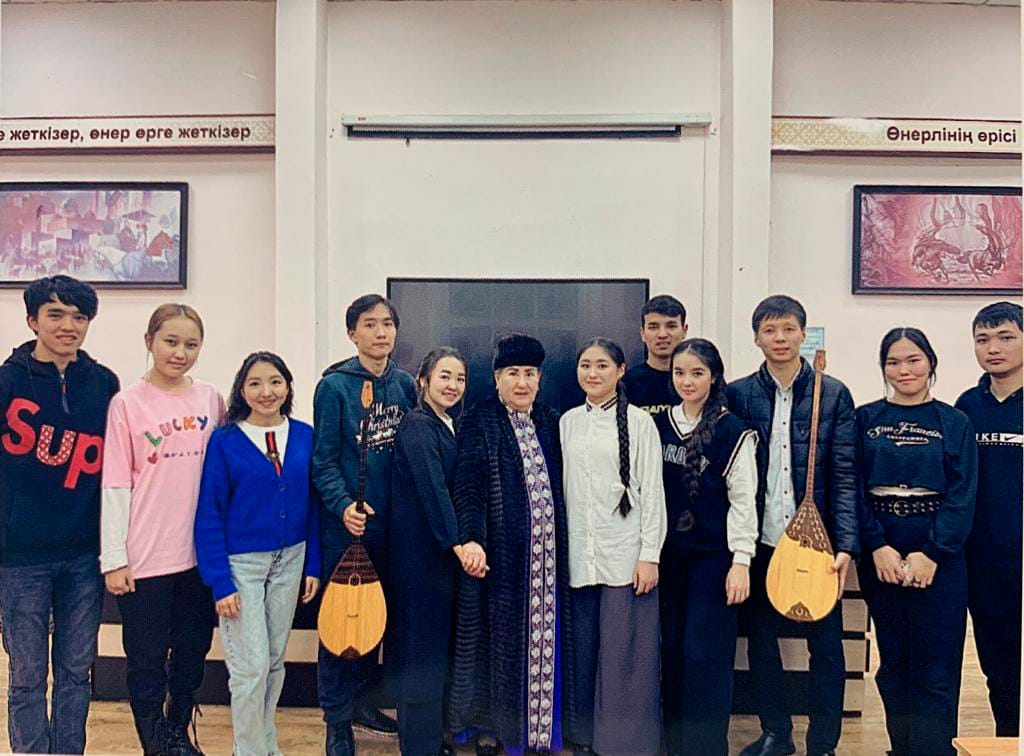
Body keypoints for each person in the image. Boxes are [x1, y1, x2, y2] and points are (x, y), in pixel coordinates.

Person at [727, 295, 858, 756]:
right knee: (761, 644)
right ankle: (776, 733)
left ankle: (823, 743)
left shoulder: (834, 393)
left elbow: (845, 474)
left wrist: (846, 544)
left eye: (787, 329)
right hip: (761, 541)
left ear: (803, 333)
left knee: (827, 649)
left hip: (818, 544)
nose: (779, 338)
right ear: (756, 338)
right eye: (769, 330)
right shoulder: (738, 394)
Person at [0, 275, 119, 754]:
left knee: (75, 672)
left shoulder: (104, 384)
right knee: (27, 676)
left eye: (78, 316)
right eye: (55, 314)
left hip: (84, 555)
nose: (68, 325)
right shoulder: (7, 382)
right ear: (32, 321)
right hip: (20, 556)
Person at [101, 303, 225, 756]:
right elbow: (115, 483)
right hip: (146, 557)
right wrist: (114, 558)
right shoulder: (127, 403)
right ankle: (154, 743)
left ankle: (177, 732)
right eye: (171, 342)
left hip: (199, 556)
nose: (180, 353)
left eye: (191, 344)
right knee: (147, 660)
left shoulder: (210, 399)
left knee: (193, 652)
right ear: (149, 341)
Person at [448, 333, 576, 756]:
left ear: (540, 379)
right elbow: (469, 487)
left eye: (530, 374)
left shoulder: (551, 420)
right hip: (500, 559)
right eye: (512, 374)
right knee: (495, 644)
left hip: (547, 565)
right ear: (497, 378)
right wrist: (473, 539)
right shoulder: (480, 420)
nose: (522, 383)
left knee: (544, 645)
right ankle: (493, 730)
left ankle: (541, 729)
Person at [194, 352, 321, 756]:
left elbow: (313, 505)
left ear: (288, 387)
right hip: (241, 566)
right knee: (250, 669)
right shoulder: (226, 440)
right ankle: (248, 750)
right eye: (255, 383)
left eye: (275, 382)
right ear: (242, 390)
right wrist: (220, 582)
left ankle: (267, 743)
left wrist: (313, 564)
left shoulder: (304, 435)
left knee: (274, 661)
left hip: (291, 559)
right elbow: (209, 512)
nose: (266, 391)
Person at [857, 327, 977, 756]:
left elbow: (963, 495)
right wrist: (876, 545)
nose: (903, 370)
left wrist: (933, 553)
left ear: (930, 363)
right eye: (893, 362)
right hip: (882, 548)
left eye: (913, 360)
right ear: (883, 367)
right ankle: (902, 748)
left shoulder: (954, 422)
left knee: (937, 665)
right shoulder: (865, 419)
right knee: (894, 663)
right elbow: (851, 487)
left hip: (939, 551)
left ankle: (935, 750)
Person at [313, 293, 416, 755]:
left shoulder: (405, 385)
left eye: (387, 323)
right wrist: (343, 506)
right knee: (341, 625)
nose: (381, 332)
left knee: (375, 622)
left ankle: (363, 703)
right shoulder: (334, 387)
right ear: (352, 333)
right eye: (370, 324)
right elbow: (323, 461)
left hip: (394, 529)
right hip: (348, 529)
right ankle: (336, 720)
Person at [560, 338, 666, 756]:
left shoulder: (640, 423)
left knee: (624, 656)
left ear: (621, 371)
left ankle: (623, 744)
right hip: (579, 557)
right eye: (585, 365)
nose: (592, 373)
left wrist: (649, 555)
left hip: (626, 556)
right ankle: (584, 739)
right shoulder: (567, 422)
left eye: (602, 365)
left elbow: (652, 494)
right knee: (583, 652)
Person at [658, 338, 758, 756]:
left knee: (706, 659)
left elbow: (744, 501)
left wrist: (741, 561)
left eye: (697, 373)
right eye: (679, 372)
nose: (687, 381)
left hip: (714, 563)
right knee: (671, 655)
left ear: (714, 377)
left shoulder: (733, 431)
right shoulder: (659, 425)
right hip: (669, 561)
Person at [389, 347, 469, 756]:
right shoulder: (419, 425)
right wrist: (457, 544)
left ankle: (430, 741)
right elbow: (433, 490)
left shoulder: (445, 423)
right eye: (444, 376)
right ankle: (419, 747)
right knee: (419, 652)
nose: (452, 385)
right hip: (419, 560)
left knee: (433, 652)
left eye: (460, 378)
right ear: (423, 380)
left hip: (437, 559)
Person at [956, 301, 1022, 737]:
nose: (993, 348)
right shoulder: (966, 407)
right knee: (998, 667)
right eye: (983, 339)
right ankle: (1007, 740)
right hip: (983, 565)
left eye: (1005, 337)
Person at [623, 295, 688, 418]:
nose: (662, 334)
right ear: (642, 333)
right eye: (653, 327)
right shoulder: (628, 383)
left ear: (684, 330)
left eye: (671, 326)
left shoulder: (698, 381)